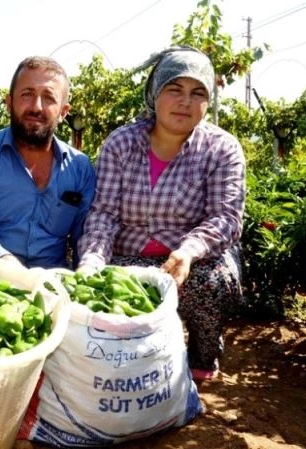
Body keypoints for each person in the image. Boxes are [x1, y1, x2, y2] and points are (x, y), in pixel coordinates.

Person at [77, 46, 246, 382]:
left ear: (208, 101)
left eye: (197, 92)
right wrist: (91, 262)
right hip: (129, 258)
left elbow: (225, 217)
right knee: (98, 287)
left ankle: (203, 352)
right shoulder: (121, 144)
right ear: (155, 94)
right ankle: (132, 356)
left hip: (191, 261)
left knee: (208, 284)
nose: (185, 101)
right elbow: (104, 213)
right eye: (174, 89)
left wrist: (187, 252)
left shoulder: (222, 149)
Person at [0, 56, 96, 269]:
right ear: (9, 103)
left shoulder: (80, 167)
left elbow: (85, 234)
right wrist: (8, 264)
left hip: (53, 283)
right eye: (27, 95)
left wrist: (86, 272)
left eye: (49, 98)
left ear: (64, 112)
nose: (36, 107)